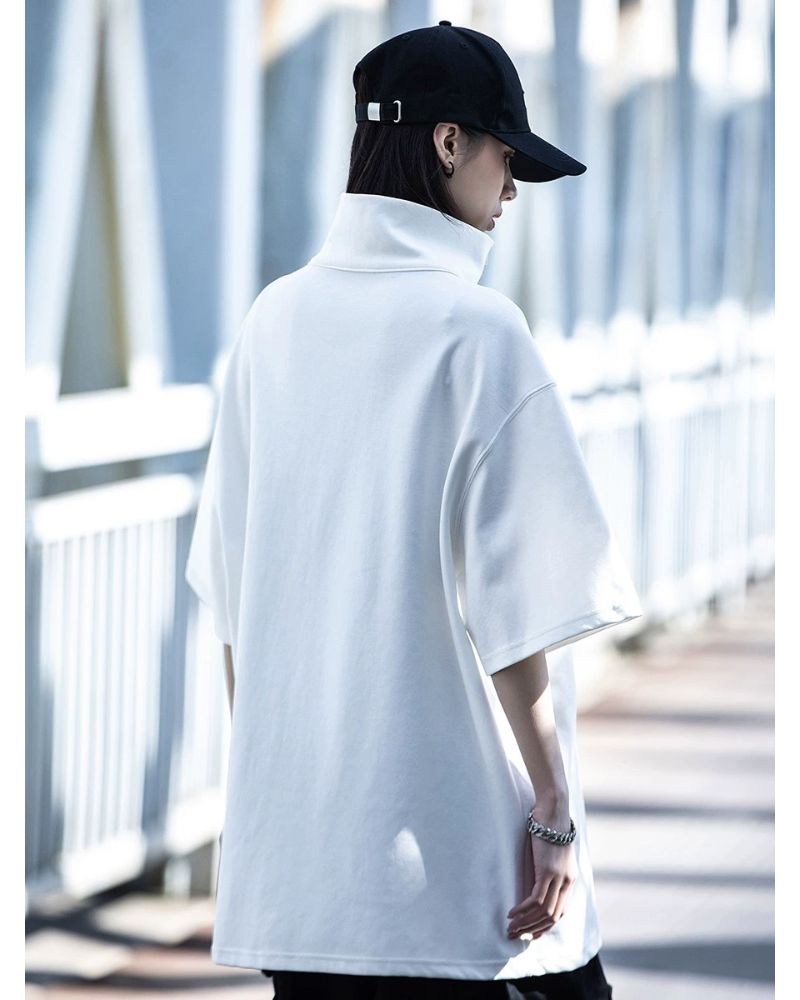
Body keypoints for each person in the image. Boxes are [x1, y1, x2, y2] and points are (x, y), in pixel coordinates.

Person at [184, 20, 643, 1000]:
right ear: (447, 142)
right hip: (462, 885)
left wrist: (278, 802)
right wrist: (554, 813)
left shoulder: (272, 321)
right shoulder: (479, 333)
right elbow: (519, 615)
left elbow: (232, 599)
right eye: (505, 156)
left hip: (307, 886)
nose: (510, 190)